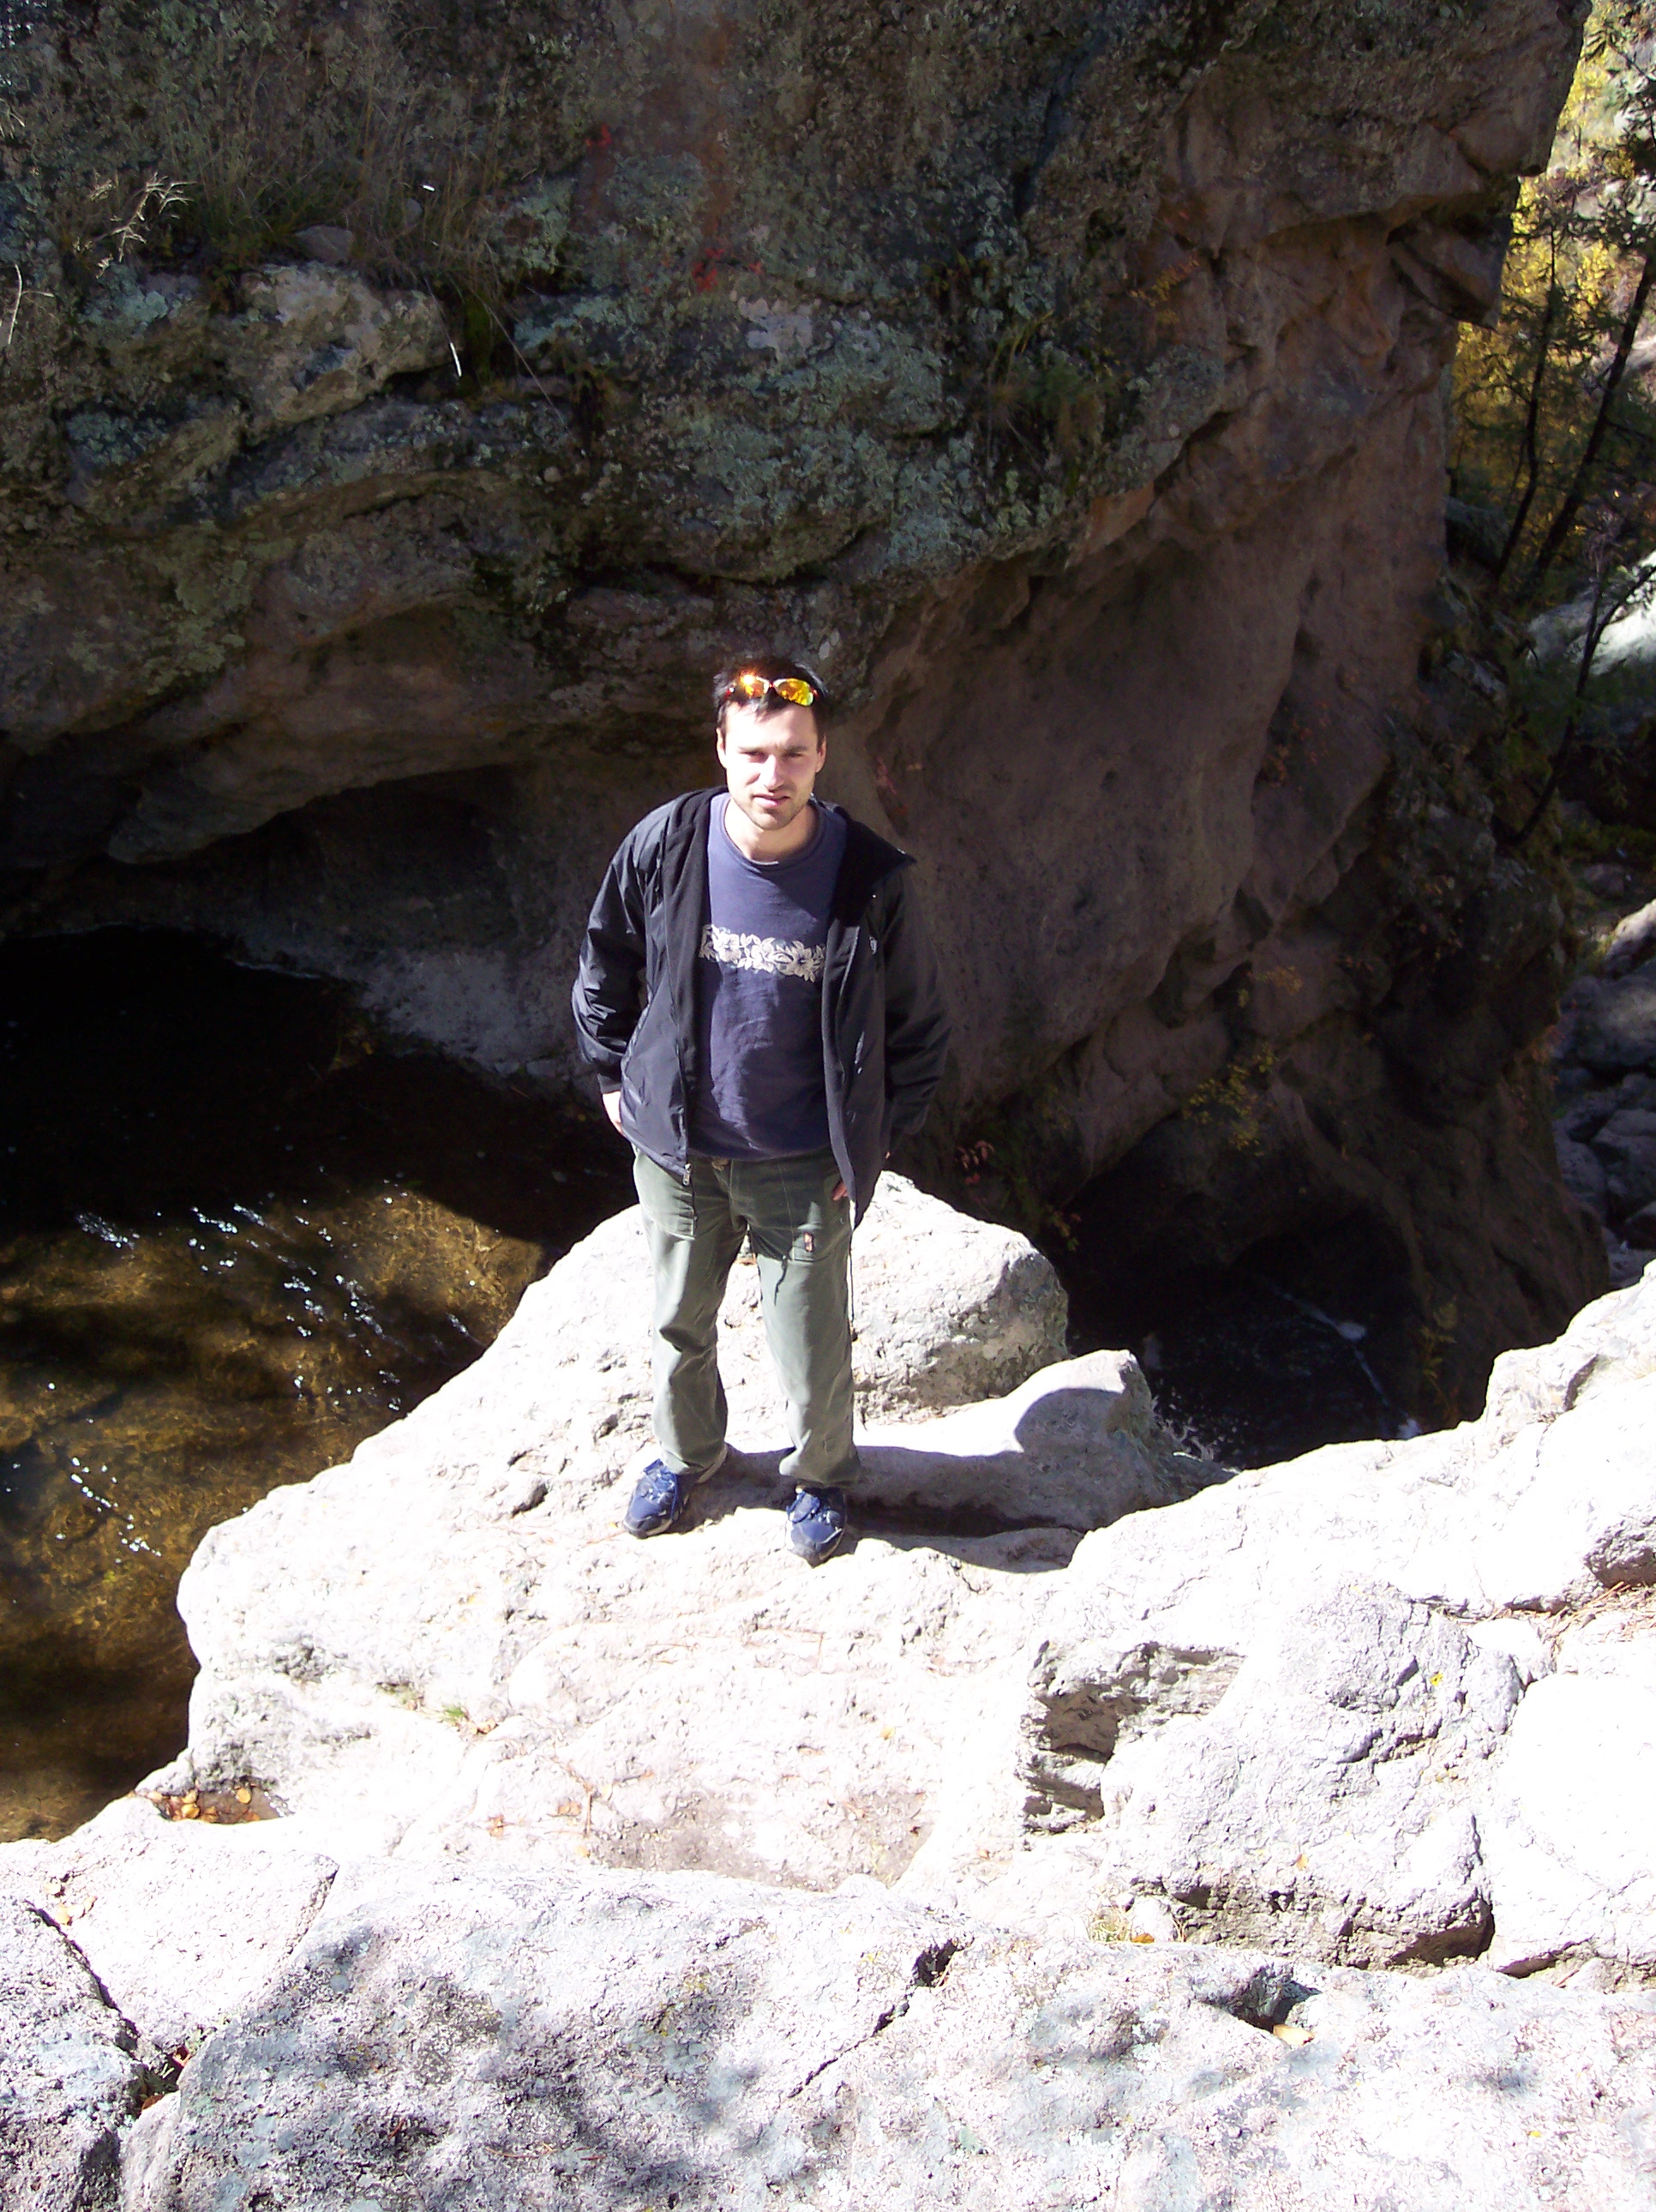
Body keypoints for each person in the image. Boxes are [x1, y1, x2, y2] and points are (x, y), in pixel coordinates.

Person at [571, 655, 951, 1563]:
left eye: (791, 754)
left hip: (801, 1157)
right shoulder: (668, 842)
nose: (770, 775)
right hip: (681, 1149)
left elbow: (918, 1026)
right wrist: (614, 1075)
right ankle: (686, 1456)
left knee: (811, 1340)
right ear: (721, 748)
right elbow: (605, 959)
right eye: (752, 753)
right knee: (678, 1321)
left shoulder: (868, 876)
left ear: (820, 756)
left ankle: (821, 1477)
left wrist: (871, 1142)